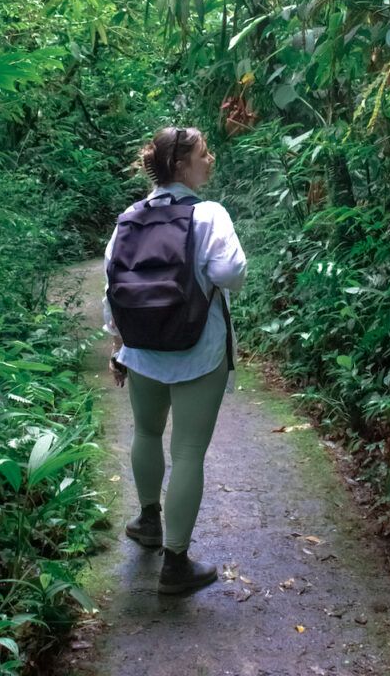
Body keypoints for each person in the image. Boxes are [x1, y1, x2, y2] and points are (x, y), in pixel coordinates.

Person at [102, 126, 247, 594]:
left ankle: (148, 522)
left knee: (146, 431)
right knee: (187, 451)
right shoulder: (209, 213)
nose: (211, 159)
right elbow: (231, 273)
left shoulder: (128, 217)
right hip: (197, 348)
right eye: (205, 154)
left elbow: (112, 286)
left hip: (141, 347)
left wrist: (119, 343)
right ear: (182, 164)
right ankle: (175, 564)